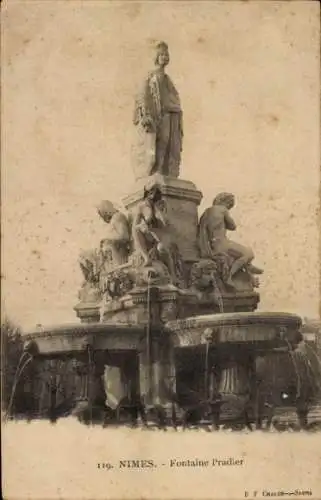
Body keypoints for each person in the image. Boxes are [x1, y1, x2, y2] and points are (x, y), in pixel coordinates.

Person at [133, 41, 183, 179]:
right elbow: (142, 95)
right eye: (161, 54)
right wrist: (145, 114)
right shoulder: (150, 76)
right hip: (155, 116)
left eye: (166, 54)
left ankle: (162, 170)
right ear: (156, 56)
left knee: (166, 143)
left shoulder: (167, 79)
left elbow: (174, 98)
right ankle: (154, 172)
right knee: (155, 145)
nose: (164, 57)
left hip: (168, 114)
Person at [198, 192, 263, 288]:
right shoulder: (222, 210)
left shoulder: (205, 213)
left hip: (213, 246)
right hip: (223, 244)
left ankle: (247, 266)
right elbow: (232, 226)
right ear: (226, 202)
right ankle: (230, 275)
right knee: (249, 253)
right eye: (230, 205)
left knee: (240, 254)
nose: (229, 207)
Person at [131, 185, 180, 284]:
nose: (151, 195)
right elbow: (134, 226)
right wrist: (143, 225)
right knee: (136, 230)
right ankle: (146, 258)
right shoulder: (141, 206)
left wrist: (157, 210)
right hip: (148, 234)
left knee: (162, 248)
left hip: (161, 234)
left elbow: (165, 223)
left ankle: (173, 275)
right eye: (149, 192)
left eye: (154, 192)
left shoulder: (161, 205)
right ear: (146, 194)